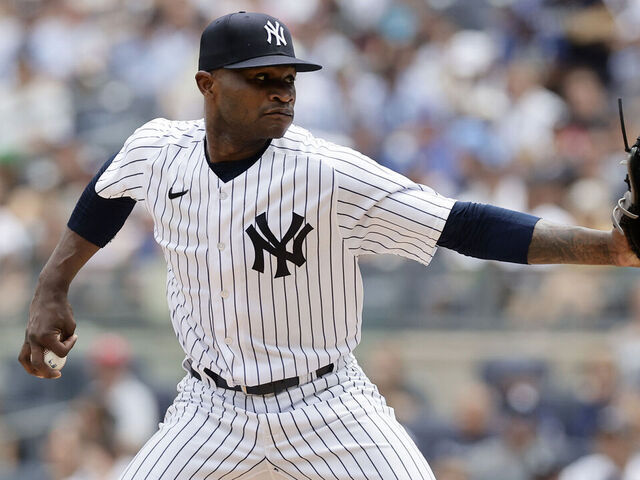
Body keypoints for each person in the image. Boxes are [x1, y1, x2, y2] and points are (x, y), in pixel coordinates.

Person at [19, 11, 640, 480]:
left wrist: (608, 249)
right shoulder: (158, 148)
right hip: (206, 409)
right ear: (207, 85)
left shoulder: (326, 171)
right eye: (261, 79)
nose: (282, 92)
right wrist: (52, 285)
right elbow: (105, 194)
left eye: (289, 79)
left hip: (328, 405)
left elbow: (464, 223)